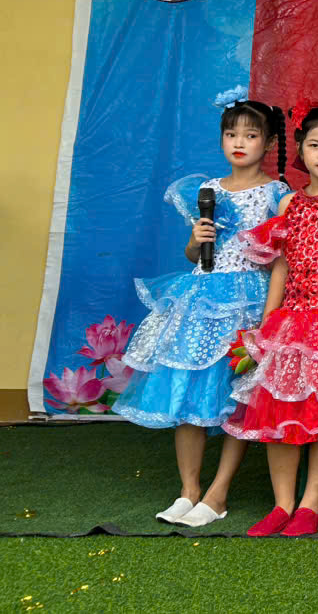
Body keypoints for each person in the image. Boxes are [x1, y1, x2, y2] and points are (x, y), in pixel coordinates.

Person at [115, 91, 289, 528]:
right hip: (200, 296)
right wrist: (196, 240)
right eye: (231, 134)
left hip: (249, 299)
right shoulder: (207, 189)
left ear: (269, 143)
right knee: (187, 388)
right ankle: (188, 489)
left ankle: (218, 492)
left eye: (251, 135)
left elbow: (282, 258)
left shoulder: (277, 193)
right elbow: (193, 255)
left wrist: (269, 316)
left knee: (237, 395)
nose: (239, 143)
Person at [225, 105, 318, 537]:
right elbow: (281, 264)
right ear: (300, 150)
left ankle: (311, 502)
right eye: (315, 145)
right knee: (279, 411)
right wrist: (268, 320)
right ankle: (282, 504)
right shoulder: (289, 202)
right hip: (290, 322)